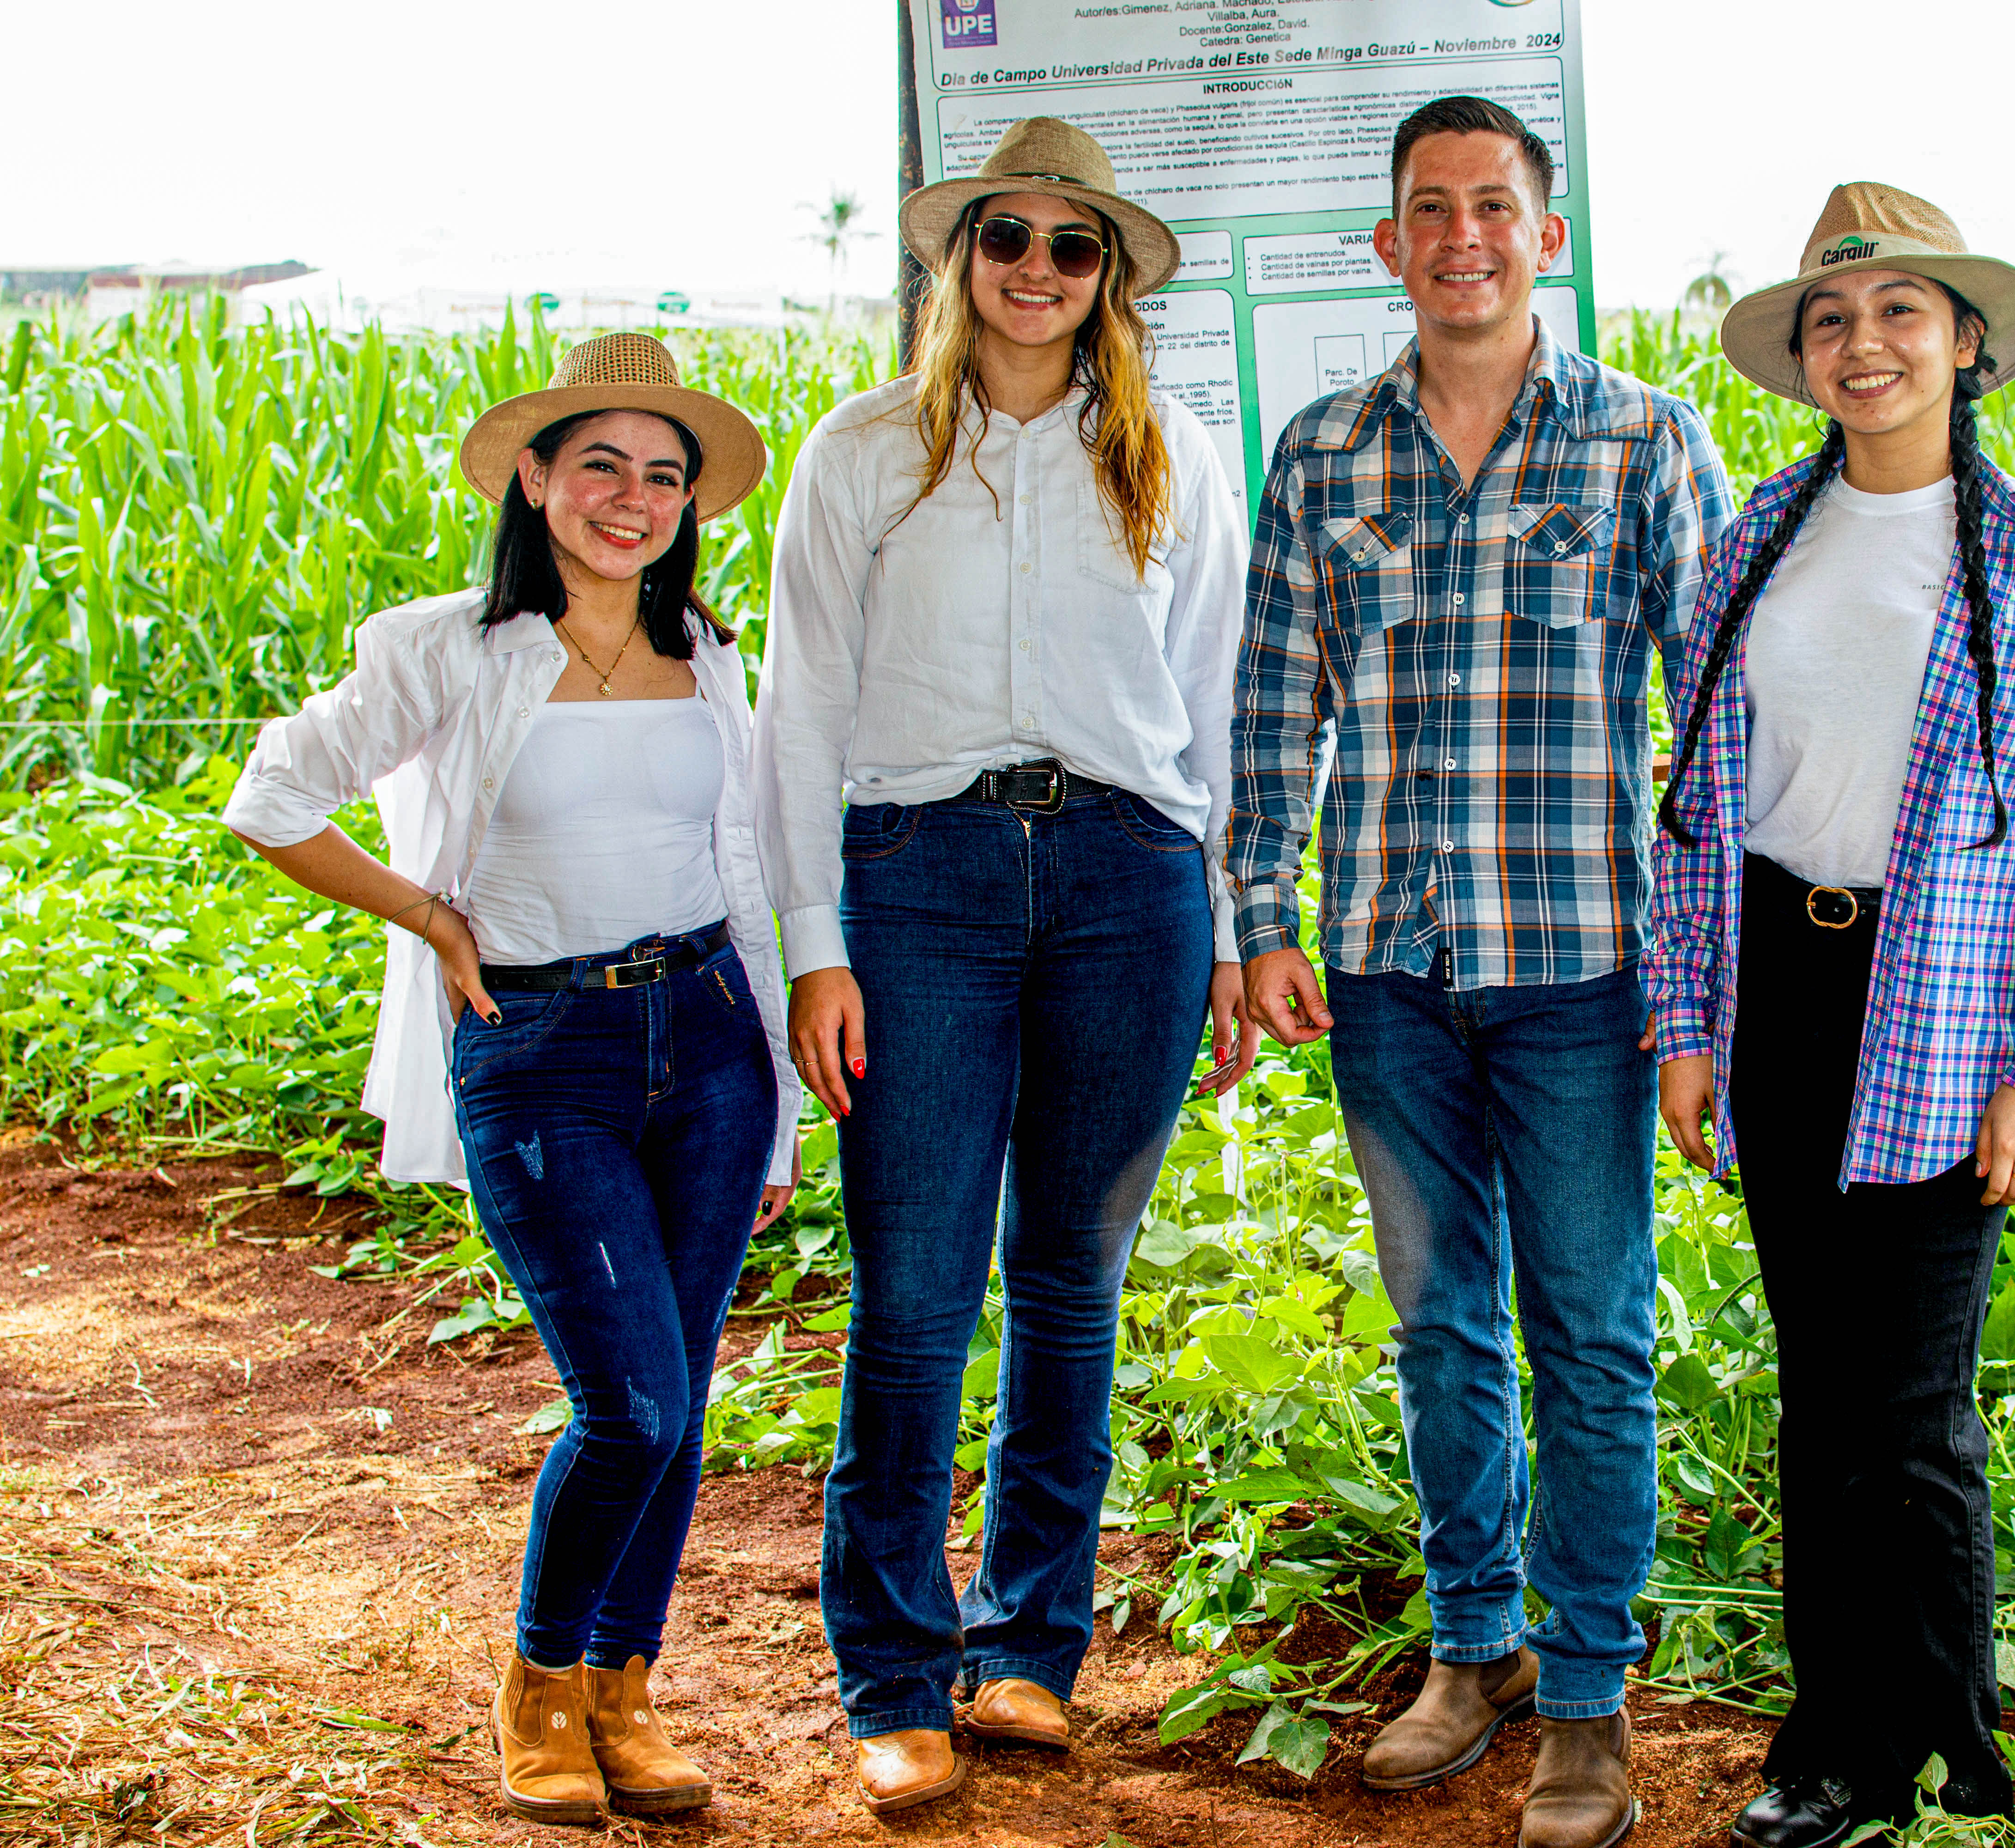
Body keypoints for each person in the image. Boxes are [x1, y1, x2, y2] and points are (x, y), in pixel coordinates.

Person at [1231, 93, 1730, 1848]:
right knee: (1443, 1328)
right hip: (1387, 966)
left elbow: (1713, 728)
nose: (1462, 236)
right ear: (1388, 244)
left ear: (1549, 237)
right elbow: (1271, 701)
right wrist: (1261, 916)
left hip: (1585, 967)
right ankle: (1474, 1647)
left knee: (1589, 1334)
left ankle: (1588, 1695)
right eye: (1430, 210)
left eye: (1494, 208)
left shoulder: (1645, 443)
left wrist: (1704, 975)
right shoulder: (1321, 454)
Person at [220, 331, 800, 1826]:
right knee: (631, 1406)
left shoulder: (710, 655)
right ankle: (541, 1687)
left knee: (681, 1391)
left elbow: (742, 878)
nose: (633, 496)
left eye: (664, 474)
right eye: (599, 462)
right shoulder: (444, 646)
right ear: (535, 479)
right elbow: (271, 797)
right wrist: (423, 911)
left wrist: (778, 1104)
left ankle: (627, 1688)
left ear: (692, 504)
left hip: (712, 1044)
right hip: (544, 1053)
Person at [755, 116, 1256, 1814]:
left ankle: (1029, 1644)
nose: (1035, 268)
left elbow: (1221, 720)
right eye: (1006, 238)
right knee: (912, 1298)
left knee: (1069, 1287)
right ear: (957, 262)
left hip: (1131, 878)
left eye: (1070, 245)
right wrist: (813, 947)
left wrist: (1235, 934)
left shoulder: (1178, 456)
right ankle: (893, 1669)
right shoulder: (864, 453)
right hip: (921, 882)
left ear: (1109, 278)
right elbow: (801, 709)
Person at [1645, 184, 2015, 1848]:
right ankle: (1845, 1745)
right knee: (1821, 1387)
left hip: (1941, 1000)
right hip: (1782, 979)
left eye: (1900, 316)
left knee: (1911, 1398)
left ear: (1968, 344)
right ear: (1803, 361)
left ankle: (1947, 1731)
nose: (1865, 346)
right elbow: (1702, 800)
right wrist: (1689, 1023)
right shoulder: (1751, 548)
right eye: (1833, 322)